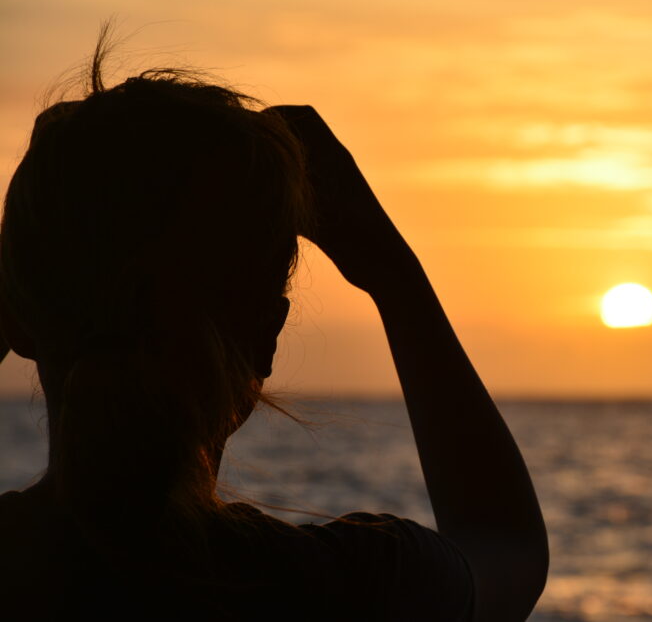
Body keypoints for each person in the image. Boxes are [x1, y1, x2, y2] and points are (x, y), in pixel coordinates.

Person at [0, 32, 548, 621]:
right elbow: (505, 552)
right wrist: (393, 274)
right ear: (266, 338)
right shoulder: (352, 585)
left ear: (18, 321)